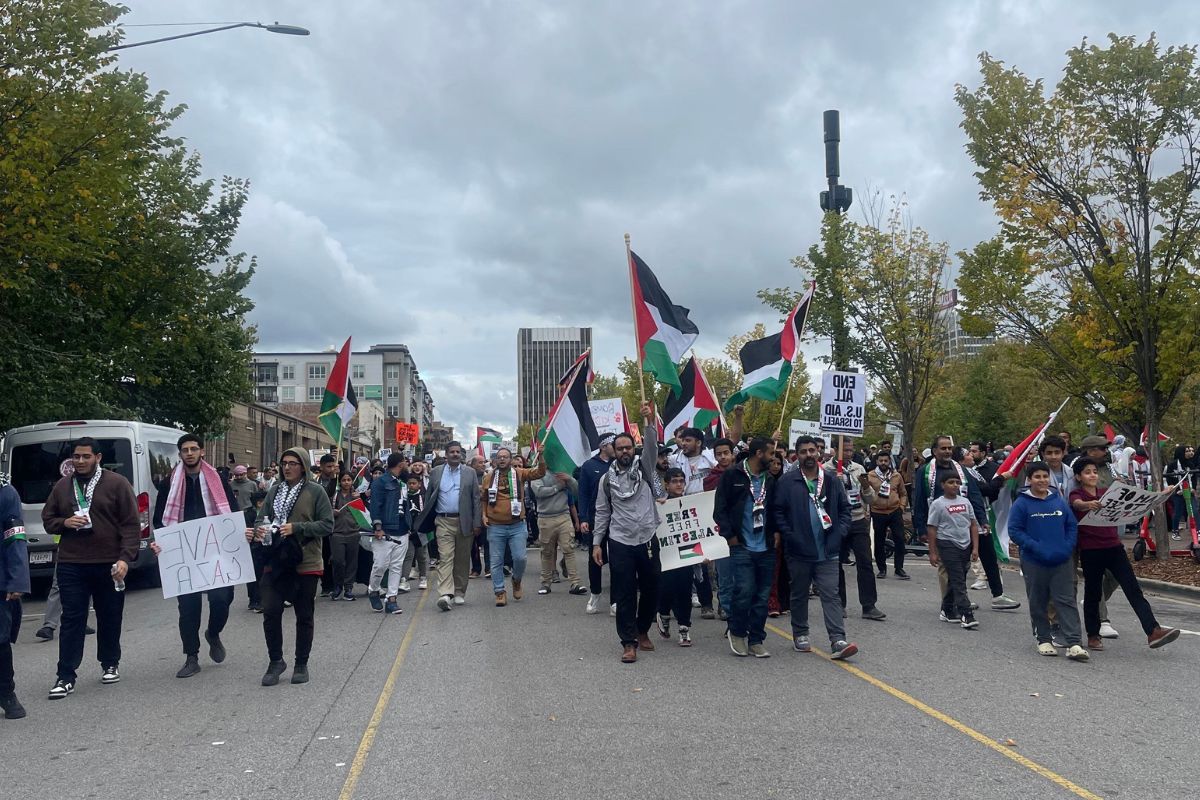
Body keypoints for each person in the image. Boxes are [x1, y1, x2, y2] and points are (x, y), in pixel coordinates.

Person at [41, 437, 139, 699]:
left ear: (98, 458)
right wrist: (65, 521)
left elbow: (131, 524)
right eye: (76, 456)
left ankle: (109, 662)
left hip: (109, 563)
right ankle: (65, 676)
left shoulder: (117, 484)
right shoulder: (62, 486)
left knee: (109, 615)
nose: (80, 461)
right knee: (72, 619)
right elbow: (48, 520)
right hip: (72, 563)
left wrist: (124, 558)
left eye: (86, 456)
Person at [150, 433, 240, 679]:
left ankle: (213, 632)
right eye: (184, 450)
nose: (189, 453)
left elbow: (232, 511)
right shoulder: (170, 482)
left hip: (215, 550)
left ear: (202, 452)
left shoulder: (217, 479)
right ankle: (191, 656)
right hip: (184, 554)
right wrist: (160, 542)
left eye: (193, 449)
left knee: (222, 599)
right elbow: (160, 518)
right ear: (180, 454)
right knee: (188, 608)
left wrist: (240, 533)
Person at [1069, 458, 1179, 650]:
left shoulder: (1107, 493)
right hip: (1091, 550)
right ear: (1078, 476)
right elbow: (1076, 504)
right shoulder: (1076, 494)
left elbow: (1137, 502)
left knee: (1133, 589)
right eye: (1087, 472)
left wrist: (1162, 494)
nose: (1093, 475)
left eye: (1094, 471)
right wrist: (1088, 505)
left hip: (1114, 548)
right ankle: (1093, 635)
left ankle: (1153, 631)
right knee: (1093, 593)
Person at [248, 447, 334, 686]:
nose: (287, 467)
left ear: (303, 466)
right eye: (284, 463)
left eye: (293, 463)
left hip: (306, 560)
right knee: (271, 610)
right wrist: (259, 530)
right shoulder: (274, 491)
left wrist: (297, 528)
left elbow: (327, 525)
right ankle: (276, 661)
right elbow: (259, 519)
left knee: (304, 614)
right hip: (275, 559)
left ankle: (301, 663)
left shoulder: (316, 491)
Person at [770, 435, 859, 660]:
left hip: (828, 549)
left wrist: (839, 534)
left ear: (818, 453)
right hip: (799, 550)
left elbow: (845, 510)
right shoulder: (788, 481)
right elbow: (778, 512)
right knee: (799, 593)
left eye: (812, 450)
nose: (809, 455)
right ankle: (800, 633)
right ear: (797, 455)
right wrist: (790, 535)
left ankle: (838, 639)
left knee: (831, 594)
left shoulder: (830, 479)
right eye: (803, 451)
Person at [592, 404, 660, 663]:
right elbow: (601, 512)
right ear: (613, 451)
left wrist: (647, 420)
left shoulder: (645, 467)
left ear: (634, 449)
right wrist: (597, 543)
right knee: (625, 591)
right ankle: (628, 642)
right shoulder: (606, 480)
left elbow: (652, 445)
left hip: (647, 539)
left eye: (628, 448)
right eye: (620, 448)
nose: (624, 452)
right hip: (620, 540)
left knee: (652, 587)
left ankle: (643, 631)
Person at [1008, 462, 1088, 661]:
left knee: (1066, 600)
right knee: (1039, 600)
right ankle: (1043, 638)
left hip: (1061, 559)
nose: (1042, 480)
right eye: (1037, 477)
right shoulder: (1022, 503)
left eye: (1045, 476)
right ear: (1029, 480)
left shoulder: (1058, 500)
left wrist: (1067, 546)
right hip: (1035, 561)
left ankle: (1074, 643)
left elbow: (1071, 525)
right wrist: (1036, 547)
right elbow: (1015, 531)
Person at [714, 437, 777, 657]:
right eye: (771, 454)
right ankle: (738, 632)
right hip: (742, 545)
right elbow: (720, 509)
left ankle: (757, 639)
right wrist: (730, 536)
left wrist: (776, 533)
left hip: (766, 547)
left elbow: (775, 508)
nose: (774, 458)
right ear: (759, 453)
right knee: (744, 591)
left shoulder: (770, 479)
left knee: (762, 597)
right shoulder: (732, 475)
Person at [415, 442, 482, 611]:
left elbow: (475, 499)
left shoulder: (470, 473)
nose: (455, 454)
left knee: (461, 558)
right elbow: (430, 496)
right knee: (445, 557)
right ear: (446, 454)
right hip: (443, 521)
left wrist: (476, 523)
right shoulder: (436, 472)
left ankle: (459, 591)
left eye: (457, 452)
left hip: (464, 521)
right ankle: (446, 594)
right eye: (451, 452)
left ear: (461, 455)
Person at [481, 448, 546, 605]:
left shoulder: (519, 473)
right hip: (495, 525)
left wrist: (541, 456)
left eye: (505, 457)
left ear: (510, 459)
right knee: (496, 561)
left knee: (520, 558)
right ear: (495, 460)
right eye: (499, 457)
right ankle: (499, 592)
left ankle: (516, 580)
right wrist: (484, 514)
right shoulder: (489, 477)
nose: (502, 459)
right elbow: (483, 498)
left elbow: (540, 473)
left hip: (517, 524)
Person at [830, 438, 886, 621]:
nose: (848, 453)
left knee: (865, 562)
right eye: (844, 450)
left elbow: (870, 499)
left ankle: (869, 605)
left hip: (858, 519)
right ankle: (839, 605)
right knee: (836, 564)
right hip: (837, 522)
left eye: (850, 450)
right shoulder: (826, 469)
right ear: (836, 450)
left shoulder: (859, 468)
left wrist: (865, 486)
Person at [926, 472, 980, 629]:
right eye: (951, 482)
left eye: (957, 482)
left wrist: (975, 547)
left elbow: (973, 524)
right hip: (947, 543)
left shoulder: (965, 502)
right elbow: (932, 528)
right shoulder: (938, 504)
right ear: (943, 485)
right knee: (958, 579)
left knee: (957, 578)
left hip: (965, 544)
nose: (955, 485)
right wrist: (933, 551)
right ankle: (966, 613)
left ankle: (947, 609)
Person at [654, 468, 694, 646]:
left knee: (685, 590)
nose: (679, 484)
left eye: (681, 481)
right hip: (667, 556)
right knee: (666, 589)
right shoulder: (660, 505)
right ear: (667, 484)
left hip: (687, 554)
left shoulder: (692, 503)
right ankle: (663, 614)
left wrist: (707, 553)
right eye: (675, 481)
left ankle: (684, 628)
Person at [577, 434, 616, 614]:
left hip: (618, 519)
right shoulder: (589, 466)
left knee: (618, 559)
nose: (616, 447)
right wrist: (583, 518)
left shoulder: (619, 465)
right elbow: (583, 493)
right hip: (597, 518)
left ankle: (615, 600)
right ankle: (595, 593)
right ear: (603, 446)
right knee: (596, 559)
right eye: (612, 444)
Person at [1, 473, 30, 718]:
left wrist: (17, 579)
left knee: (0, 640)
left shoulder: (5, 492)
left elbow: (15, 537)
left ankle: (6, 693)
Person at [532, 468, 586, 596]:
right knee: (546, 552)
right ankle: (545, 583)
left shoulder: (563, 471)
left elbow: (578, 491)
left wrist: (570, 479)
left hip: (564, 516)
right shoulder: (538, 473)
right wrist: (558, 487)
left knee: (569, 549)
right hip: (545, 518)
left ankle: (575, 583)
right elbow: (538, 491)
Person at [368, 454, 410, 614]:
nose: (407, 465)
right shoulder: (380, 483)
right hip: (385, 530)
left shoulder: (404, 482)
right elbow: (375, 506)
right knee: (380, 565)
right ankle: (374, 589)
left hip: (402, 530)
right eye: (405, 463)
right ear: (400, 464)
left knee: (396, 566)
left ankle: (391, 599)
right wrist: (377, 526)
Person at [868, 450, 908, 579]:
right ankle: (882, 569)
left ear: (889, 461)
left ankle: (899, 568)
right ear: (877, 462)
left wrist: (901, 506)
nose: (883, 463)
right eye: (881, 461)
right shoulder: (870, 476)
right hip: (877, 512)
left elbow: (903, 493)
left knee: (900, 539)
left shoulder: (896, 476)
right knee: (879, 541)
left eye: (886, 460)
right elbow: (865, 494)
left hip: (894, 511)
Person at [329, 472, 362, 601]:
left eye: (349, 480)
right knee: (338, 561)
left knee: (352, 562)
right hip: (337, 533)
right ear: (340, 482)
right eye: (344, 480)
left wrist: (359, 500)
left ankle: (348, 588)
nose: (346, 482)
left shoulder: (355, 495)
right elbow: (326, 510)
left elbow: (362, 514)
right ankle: (337, 586)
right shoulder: (334, 496)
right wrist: (333, 512)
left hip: (353, 532)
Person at [401, 475, 430, 590]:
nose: (412, 485)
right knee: (409, 555)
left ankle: (423, 577)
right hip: (409, 531)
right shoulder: (404, 497)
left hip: (421, 531)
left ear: (419, 484)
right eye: (410, 483)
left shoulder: (423, 497)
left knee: (421, 556)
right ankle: (404, 579)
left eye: (414, 483)